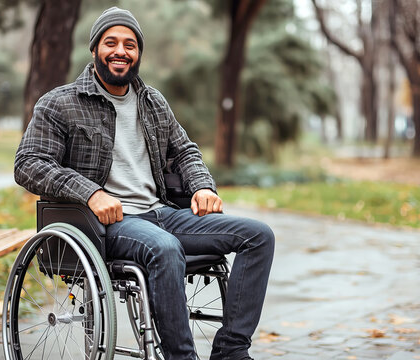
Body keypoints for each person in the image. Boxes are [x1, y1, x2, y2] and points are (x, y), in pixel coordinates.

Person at [14, 7, 274, 360]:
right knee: (165, 248)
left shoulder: (152, 102)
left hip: (163, 213)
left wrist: (202, 187)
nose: (121, 51)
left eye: (130, 44)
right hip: (108, 225)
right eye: (111, 42)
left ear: (138, 54)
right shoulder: (60, 103)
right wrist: (90, 193)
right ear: (95, 50)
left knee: (259, 236)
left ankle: (230, 351)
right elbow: (29, 164)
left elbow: (185, 150)